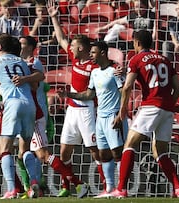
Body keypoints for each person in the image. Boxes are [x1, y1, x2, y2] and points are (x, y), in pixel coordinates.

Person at [111, 30, 179, 198]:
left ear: (136, 42)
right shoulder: (165, 59)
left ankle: (121, 189)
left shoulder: (136, 59)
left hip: (150, 106)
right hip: (167, 109)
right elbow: (178, 88)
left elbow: (127, 86)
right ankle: (178, 188)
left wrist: (123, 110)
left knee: (129, 144)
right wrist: (167, 105)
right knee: (160, 151)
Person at [16, 35, 89, 198]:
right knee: (24, 153)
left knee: (42, 155)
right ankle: (33, 187)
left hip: (35, 114)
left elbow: (36, 83)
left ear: (30, 47)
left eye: (22, 44)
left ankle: (79, 184)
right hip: (25, 114)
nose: (19, 46)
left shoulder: (34, 63)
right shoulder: (21, 63)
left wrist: (22, 78)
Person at [47, 0, 104, 197]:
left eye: (73, 46)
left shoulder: (94, 66)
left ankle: (106, 186)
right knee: (64, 153)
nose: (69, 48)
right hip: (72, 110)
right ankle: (67, 186)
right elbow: (62, 39)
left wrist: (68, 94)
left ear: (81, 48)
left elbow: (91, 94)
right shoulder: (75, 59)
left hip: (87, 110)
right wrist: (54, 17)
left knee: (94, 151)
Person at [58, 41, 128, 198]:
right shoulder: (95, 73)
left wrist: (121, 113)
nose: (90, 55)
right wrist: (68, 95)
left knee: (117, 153)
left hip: (113, 115)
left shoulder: (114, 71)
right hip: (100, 117)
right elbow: (89, 94)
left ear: (102, 53)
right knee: (104, 154)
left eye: (93, 53)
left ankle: (122, 188)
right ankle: (109, 189)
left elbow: (124, 91)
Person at [0, 34, 37, 199]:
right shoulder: (22, 63)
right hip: (29, 104)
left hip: (12, 104)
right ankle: (33, 184)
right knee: (25, 148)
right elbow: (33, 85)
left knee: (5, 149)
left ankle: (11, 190)